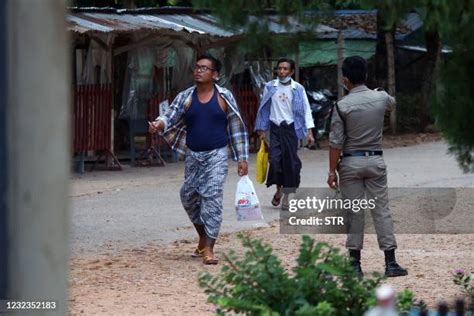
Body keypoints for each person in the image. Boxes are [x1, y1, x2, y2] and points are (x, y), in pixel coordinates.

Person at [149, 54, 249, 265]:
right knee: (188, 196)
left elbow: (236, 127)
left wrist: (242, 158)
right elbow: (170, 115)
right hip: (193, 155)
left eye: (204, 68)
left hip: (217, 155)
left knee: (211, 197)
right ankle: (203, 236)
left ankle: (210, 249)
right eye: (197, 67)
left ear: (215, 75)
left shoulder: (224, 97)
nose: (198, 71)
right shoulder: (186, 96)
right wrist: (159, 124)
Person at [327, 56, 408, 277]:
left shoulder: (341, 106)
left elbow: (335, 143)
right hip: (376, 160)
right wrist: (377, 91)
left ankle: (355, 266)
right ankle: (391, 263)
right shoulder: (381, 98)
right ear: (365, 75)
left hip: (351, 162)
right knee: (381, 210)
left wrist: (331, 171)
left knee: (354, 212)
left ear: (345, 80)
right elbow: (392, 102)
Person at [255, 58, 315, 210]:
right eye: (279, 68)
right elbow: (264, 108)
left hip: (291, 130)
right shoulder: (270, 87)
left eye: (285, 69)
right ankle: (279, 190)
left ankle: (286, 196)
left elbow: (306, 109)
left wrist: (310, 132)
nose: (281, 71)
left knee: (291, 164)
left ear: (292, 71)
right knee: (275, 161)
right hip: (275, 129)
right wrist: (262, 129)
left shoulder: (298, 89)